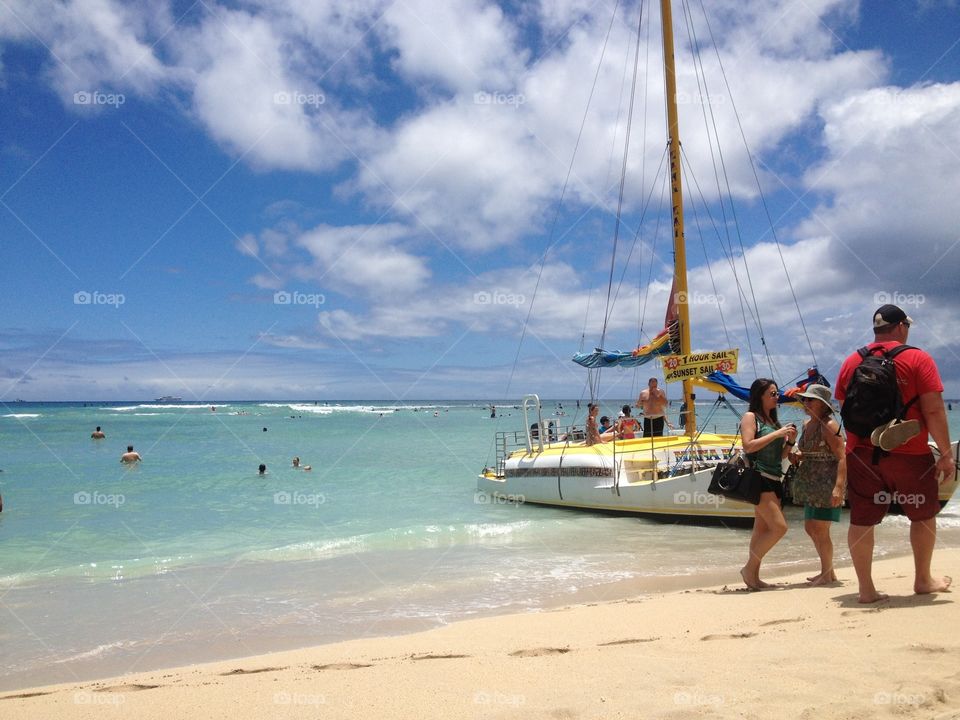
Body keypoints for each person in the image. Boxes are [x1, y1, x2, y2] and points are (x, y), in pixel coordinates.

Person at [836, 304, 954, 603]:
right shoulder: (918, 358)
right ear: (901, 327)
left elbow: (843, 406)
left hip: (861, 452)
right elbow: (934, 409)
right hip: (909, 452)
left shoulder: (852, 361)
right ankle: (923, 580)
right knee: (923, 515)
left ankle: (866, 589)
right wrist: (945, 453)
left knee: (862, 521)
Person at [740, 378, 797, 590]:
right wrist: (778, 433)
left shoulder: (774, 422)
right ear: (760, 396)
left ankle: (753, 578)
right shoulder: (750, 417)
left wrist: (790, 442)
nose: (777, 397)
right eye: (772, 394)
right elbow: (748, 446)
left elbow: (780, 455)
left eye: (776, 393)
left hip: (775, 478)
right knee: (779, 528)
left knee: (761, 530)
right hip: (759, 477)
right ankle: (748, 568)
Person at [787, 384, 846, 586]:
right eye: (805, 399)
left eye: (810, 400)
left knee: (820, 528)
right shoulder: (807, 424)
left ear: (822, 404)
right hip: (810, 480)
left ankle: (826, 573)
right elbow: (814, 451)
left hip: (826, 482)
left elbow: (842, 457)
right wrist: (798, 455)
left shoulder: (829, 426)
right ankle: (828, 571)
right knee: (810, 527)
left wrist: (838, 487)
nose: (806, 403)